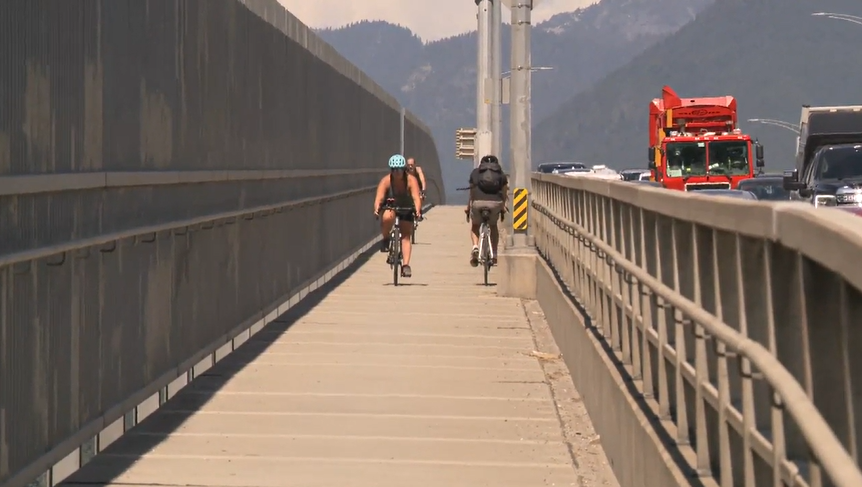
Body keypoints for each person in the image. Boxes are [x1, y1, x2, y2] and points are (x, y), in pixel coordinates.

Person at [373, 154, 423, 278]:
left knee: (406, 236)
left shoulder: (411, 180)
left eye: (399, 169)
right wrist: (376, 208)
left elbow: (416, 197)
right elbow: (379, 197)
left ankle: (406, 265)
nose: (396, 172)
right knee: (386, 218)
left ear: (403, 169)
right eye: (393, 170)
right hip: (392, 206)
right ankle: (386, 239)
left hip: (406, 207)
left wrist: (417, 210)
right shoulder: (386, 181)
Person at [465, 154, 508, 266]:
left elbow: (471, 193)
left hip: (478, 202)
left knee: (475, 225)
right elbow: (504, 193)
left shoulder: (475, 173)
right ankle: (494, 254)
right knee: (493, 226)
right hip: (495, 203)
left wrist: (468, 208)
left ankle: (475, 247)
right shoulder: (500, 174)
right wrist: (502, 206)